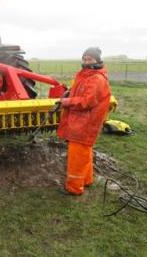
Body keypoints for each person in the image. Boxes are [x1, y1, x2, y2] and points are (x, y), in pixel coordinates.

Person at [57, 47, 111, 195]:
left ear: (97, 60)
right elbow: (81, 91)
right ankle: (86, 180)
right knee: (84, 152)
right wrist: (70, 91)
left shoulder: (96, 78)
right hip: (81, 121)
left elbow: (87, 101)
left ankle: (74, 188)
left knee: (76, 156)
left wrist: (67, 101)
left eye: (90, 59)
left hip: (85, 122)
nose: (86, 61)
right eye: (84, 58)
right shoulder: (85, 75)